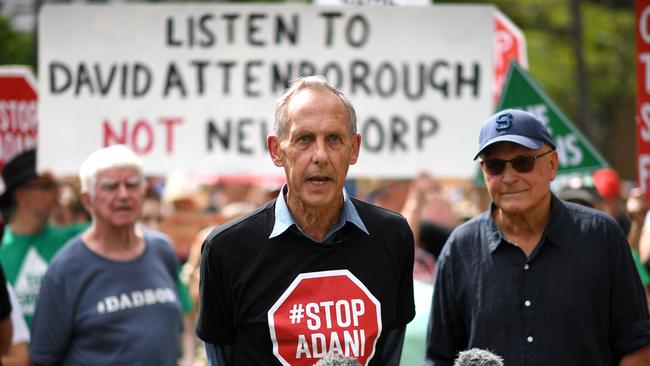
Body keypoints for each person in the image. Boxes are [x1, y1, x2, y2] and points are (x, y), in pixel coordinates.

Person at [196, 75, 415, 365]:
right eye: (304, 139)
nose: (320, 156)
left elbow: (389, 352)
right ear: (276, 150)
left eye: (334, 139)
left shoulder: (392, 236)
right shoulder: (226, 250)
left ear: (354, 148)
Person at [425, 109, 650, 365]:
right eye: (495, 166)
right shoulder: (459, 249)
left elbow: (637, 345)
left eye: (524, 162)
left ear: (552, 164)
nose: (509, 177)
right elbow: (439, 356)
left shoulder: (602, 237)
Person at [29, 145, 183, 365]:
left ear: (143, 192)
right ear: (87, 200)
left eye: (132, 185)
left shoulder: (162, 250)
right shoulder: (67, 267)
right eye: (111, 187)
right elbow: (41, 358)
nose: (123, 195)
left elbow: (176, 331)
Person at [0, 149, 86, 327]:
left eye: (56, 184)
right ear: (22, 195)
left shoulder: (74, 239)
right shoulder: (2, 248)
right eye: (47, 185)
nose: (57, 191)